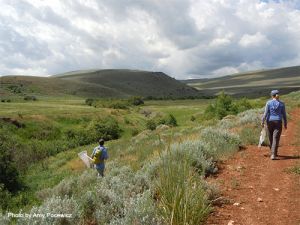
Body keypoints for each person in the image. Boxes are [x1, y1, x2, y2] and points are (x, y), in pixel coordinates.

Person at [261, 90, 287, 160]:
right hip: (278, 122)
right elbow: (284, 115)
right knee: (275, 138)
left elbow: (265, 113)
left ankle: (273, 152)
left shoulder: (268, 103)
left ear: (272, 95)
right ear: (277, 95)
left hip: (269, 121)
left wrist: (262, 121)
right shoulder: (282, 103)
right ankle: (273, 154)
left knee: (270, 138)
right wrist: (285, 123)